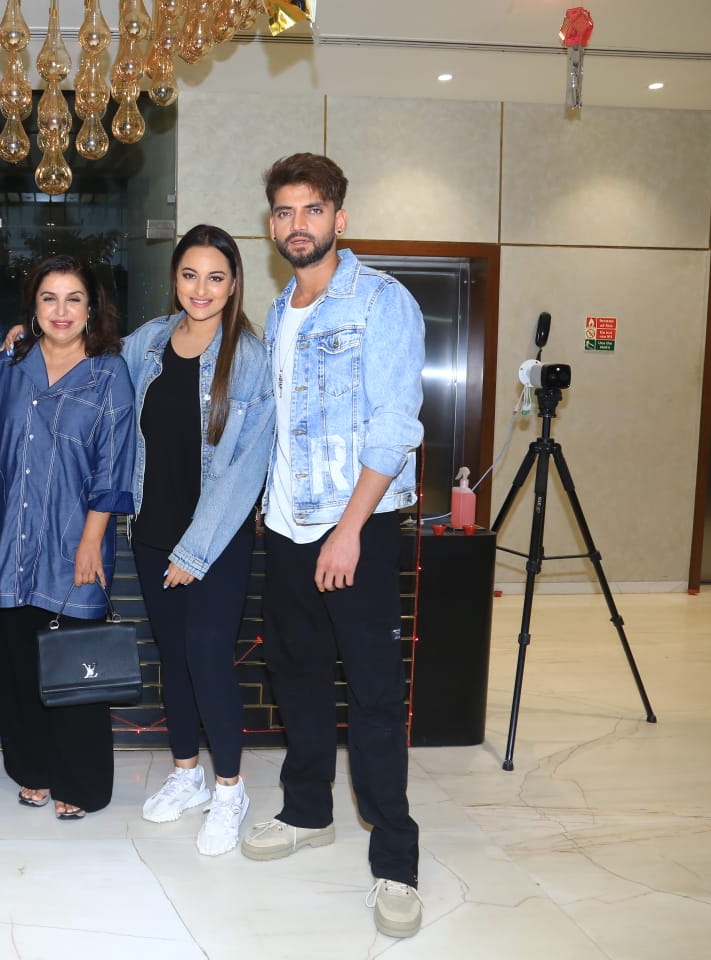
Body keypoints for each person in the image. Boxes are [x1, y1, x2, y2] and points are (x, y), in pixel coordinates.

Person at [244, 153, 426, 939]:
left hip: (358, 528)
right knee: (297, 675)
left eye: (312, 210)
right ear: (272, 224)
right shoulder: (279, 309)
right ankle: (307, 811)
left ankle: (396, 861)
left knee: (375, 694)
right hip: (288, 528)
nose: (298, 225)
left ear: (339, 219)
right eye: (285, 212)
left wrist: (349, 530)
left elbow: (394, 425)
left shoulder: (381, 301)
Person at [122, 225, 275, 855]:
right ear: (175, 278)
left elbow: (246, 466)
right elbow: (92, 367)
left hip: (217, 538)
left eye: (216, 277)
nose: (201, 289)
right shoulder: (148, 342)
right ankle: (186, 774)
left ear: (234, 283)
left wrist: (195, 549)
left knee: (208, 653)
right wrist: (25, 339)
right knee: (174, 656)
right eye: (190, 275)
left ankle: (229, 789)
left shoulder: (251, 357)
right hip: (152, 529)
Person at [0, 254, 135, 821]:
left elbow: (114, 468)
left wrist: (91, 541)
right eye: (49, 298)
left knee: (76, 667)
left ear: (92, 308)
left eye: (74, 299)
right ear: (33, 306)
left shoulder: (108, 373)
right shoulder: (12, 365)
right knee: (18, 665)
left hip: (76, 541)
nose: (61, 310)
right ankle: (33, 770)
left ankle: (80, 780)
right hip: (11, 540)